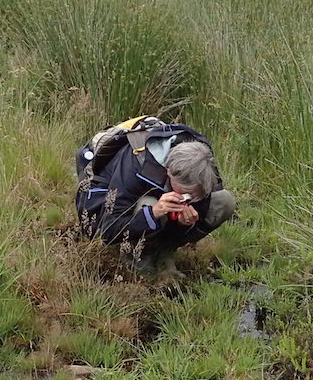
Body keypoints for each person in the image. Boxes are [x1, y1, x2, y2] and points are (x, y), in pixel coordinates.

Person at [75, 116, 236, 280]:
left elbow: (200, 204)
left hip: (158, 197)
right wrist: (153, 213)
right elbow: (108, 230)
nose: (188, 199)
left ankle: (164, 253)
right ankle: (138, 258)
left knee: (223, 201)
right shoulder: (136, 166)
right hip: (107, 207)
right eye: (185, 192)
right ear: (168, 170)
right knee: (148, 203)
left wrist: (183, 224)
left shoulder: (204, 165)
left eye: (195, 195)